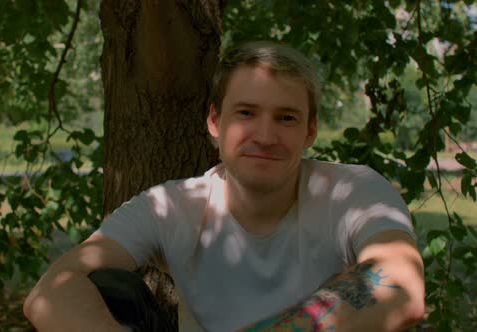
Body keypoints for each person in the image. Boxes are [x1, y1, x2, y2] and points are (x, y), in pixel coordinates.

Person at [23, 41, 425, 332]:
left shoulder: (351, 191)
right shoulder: (170, 206)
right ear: (215, 121)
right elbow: (52, 291)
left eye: (286, 118)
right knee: (107, 287)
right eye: (246, 112)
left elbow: (399, 280)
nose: (265, 136)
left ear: (310, 130)